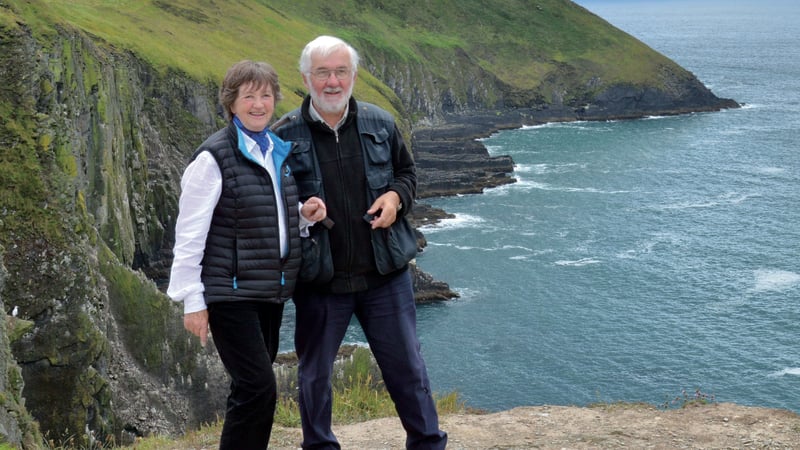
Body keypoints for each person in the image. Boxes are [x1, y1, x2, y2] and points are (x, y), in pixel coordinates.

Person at [272, 36, 448, 450]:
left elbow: (407, 175)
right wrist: (300, 213)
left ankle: (427, 444)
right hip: (320, 281)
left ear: (353, 75)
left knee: (408, 370)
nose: (332, 82)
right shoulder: (282, 136)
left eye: (341, 71)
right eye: (323, 73)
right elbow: (270, 204)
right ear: (305, 78)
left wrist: (395, 198)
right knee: (314, 376)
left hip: (384, 276)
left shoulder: (381, 123)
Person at [167, 60, 327, 450]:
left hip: (269, 291)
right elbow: (189, 234)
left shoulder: (276, 150)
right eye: (249, 96)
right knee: (259, 388)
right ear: (232, 103)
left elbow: (267, 216)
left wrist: (303, 217)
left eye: (266, 95)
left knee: (251, 390)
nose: (259, 104)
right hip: (229, 293)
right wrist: (192, 301)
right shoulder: (212, 158)